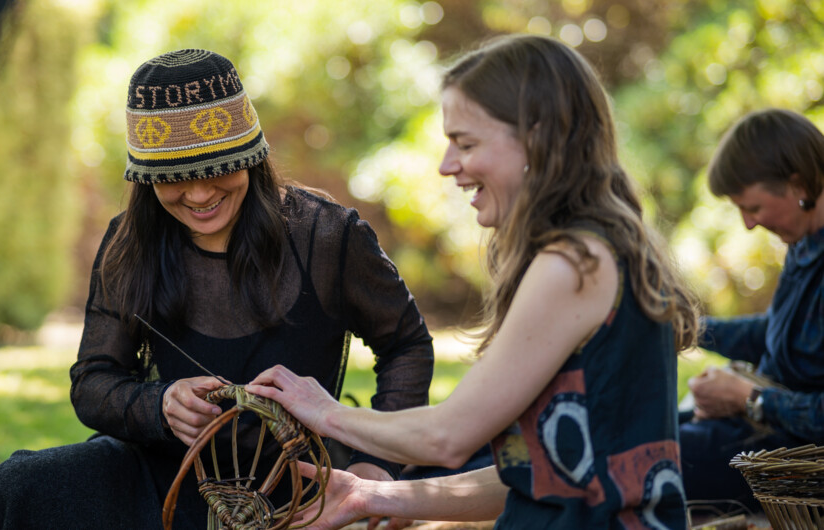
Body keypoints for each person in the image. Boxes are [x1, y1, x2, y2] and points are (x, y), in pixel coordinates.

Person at [0, 49, 434, 529]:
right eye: (174, 177)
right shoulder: (130, 243)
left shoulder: (328, 236)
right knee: (12, 488)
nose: (200, 194)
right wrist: (159, 405)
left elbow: (405, 343)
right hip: (164, 477)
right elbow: (93, 381)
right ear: (146, 176)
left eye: (217, 168)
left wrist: (379, 465)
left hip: (297, 486)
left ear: (251, 154)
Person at [248, 34, 700, 530]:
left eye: (465, 143)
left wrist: (323, 412)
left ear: (538, 138)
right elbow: (535, 478)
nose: (447, 166)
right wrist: (372, 496)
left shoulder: (573, 264)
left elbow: (449, 436)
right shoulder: (601, 253)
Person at [680, 108, 824, 509]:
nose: (746, 224)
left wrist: (747, 398)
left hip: (794, 463)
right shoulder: (806, 244)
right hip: (765, 436)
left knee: (638, 458)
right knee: (635, 433)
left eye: (753, 208)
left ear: (796, 183)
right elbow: (784, 332)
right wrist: (692, 330)